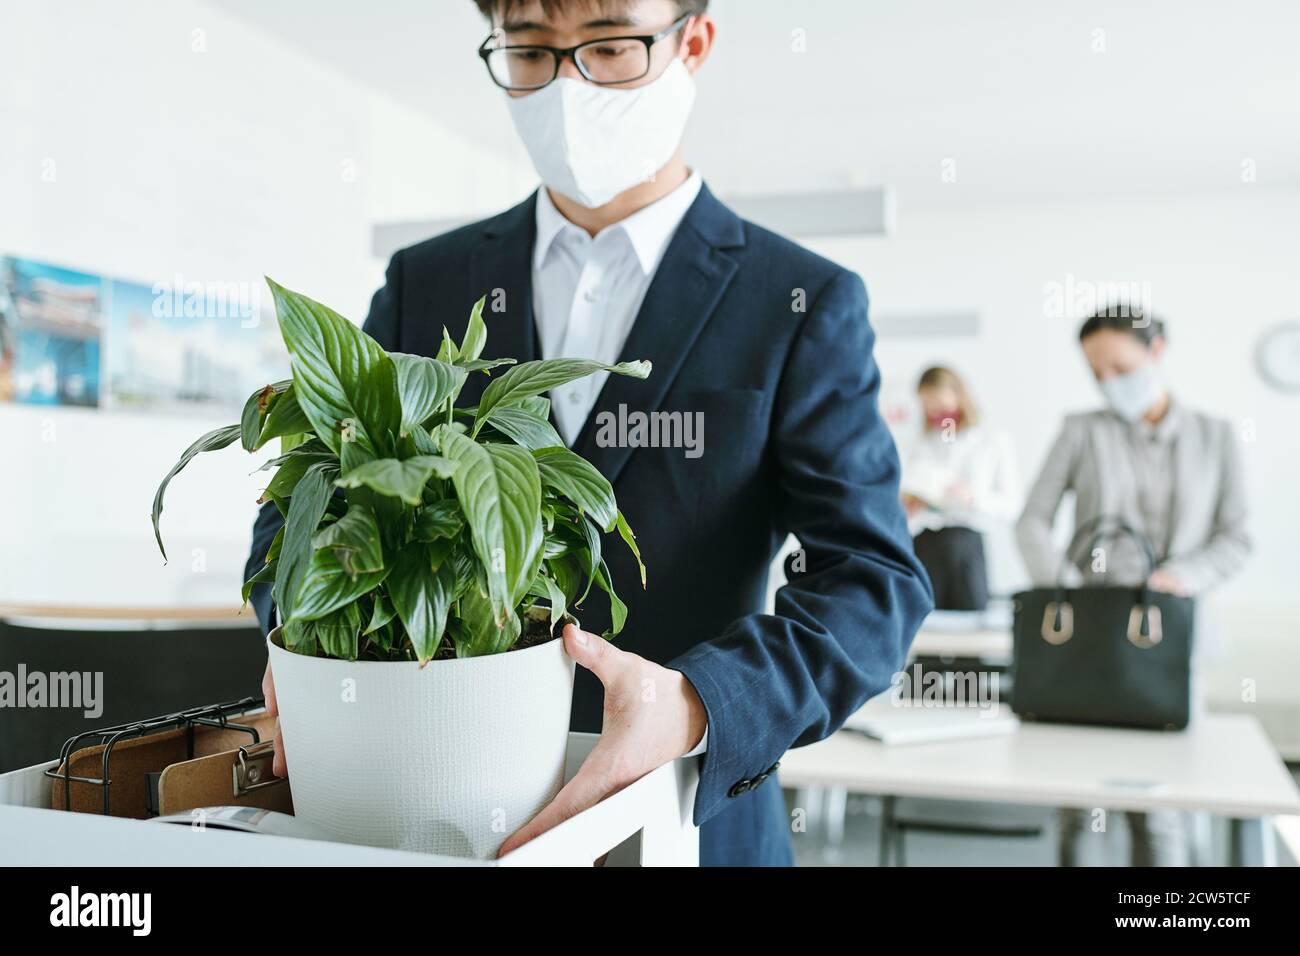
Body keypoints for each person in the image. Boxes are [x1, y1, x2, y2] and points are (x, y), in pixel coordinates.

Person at [247, 0, 932, 866]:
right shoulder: (426, 282)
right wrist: (300, 642)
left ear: (695, 43)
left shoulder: (796, 301)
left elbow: (872, 579)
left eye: (610, 45)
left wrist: (696, 702)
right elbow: (302, 503)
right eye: (531, 50)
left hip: (689, 817)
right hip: (427, 810)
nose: (569, 86)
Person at [1016, 305, 1251, 866]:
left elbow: (1236, 538)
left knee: (1161, 802)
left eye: (1120, 367)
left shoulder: (1215, 437)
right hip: (1090, 636)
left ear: (1157, 351)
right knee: (1079, 799)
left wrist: (1182, 578)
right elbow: (1032, 522)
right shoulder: (1081, 431)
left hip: (1171, 638)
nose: (1109, 383)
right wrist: (1062, 587)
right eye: (1097, 374)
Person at [902, 366, 1020, 611]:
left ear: (957, 394)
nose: (934, 410)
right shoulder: (923, 442)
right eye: (927, 405)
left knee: (971, 632)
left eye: (938, 401)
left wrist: (973, 498)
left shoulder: (992, 439)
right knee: (928, 631)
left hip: (965, 543)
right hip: (925, 543)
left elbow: (1012, 504)